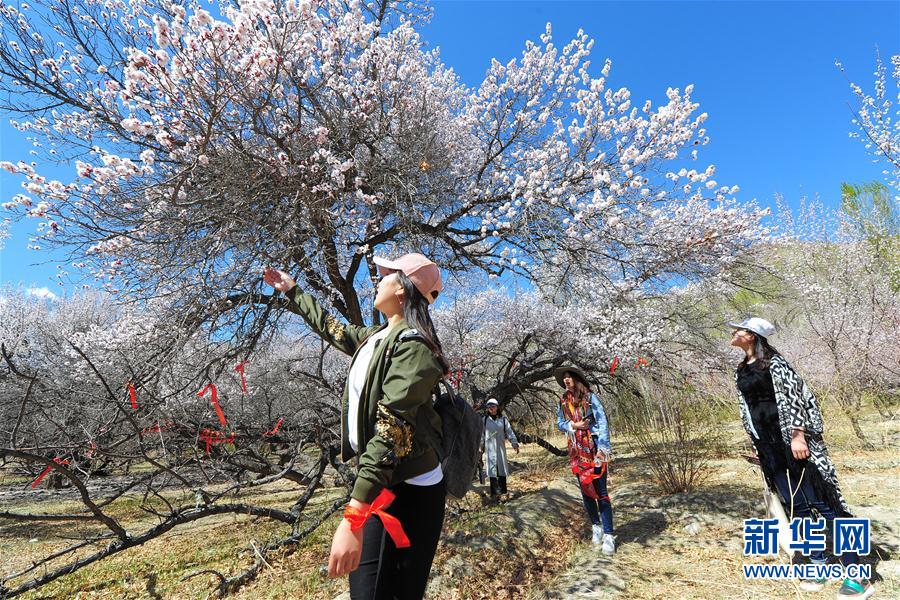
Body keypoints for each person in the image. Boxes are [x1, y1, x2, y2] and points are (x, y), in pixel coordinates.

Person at [264, 253, 448, 600]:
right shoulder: (377, 337)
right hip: (381, 481)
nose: (376, 281)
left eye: (385, 276)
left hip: (412, 492)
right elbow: (334, 329)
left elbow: (390, 430)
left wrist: (353, 515)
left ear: (402, 290)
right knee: (365, 591)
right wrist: (292, 291)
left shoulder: (416, 349)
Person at [729, 317, 875, 599]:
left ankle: (859, 577)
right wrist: (757, 445)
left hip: (793, 442)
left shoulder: (775, 363)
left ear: (752, 336)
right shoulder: (741, 369)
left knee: (827, 504)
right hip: (769, 447)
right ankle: (818, 565)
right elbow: (748, 409)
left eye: (739, 329)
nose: (733, 333)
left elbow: (795, 397)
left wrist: (798, 435)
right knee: (798, 507)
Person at [555, 366, 616, 554]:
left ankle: (608, 535)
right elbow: (559, 423)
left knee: (601, 490)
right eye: (563, 378)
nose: (566, 380)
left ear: (576, 378)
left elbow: (602, 421)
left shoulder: (590, 398)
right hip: (576, 451)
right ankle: (596, 526)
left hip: (594, 447)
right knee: (585, 490)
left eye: (569, 377)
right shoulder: (563, 401)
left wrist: (603, 449)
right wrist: (573, 425)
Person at [482, 398, 520, 499]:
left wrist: (514, 443)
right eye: (489, 406)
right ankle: (494, 494)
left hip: (500, 449)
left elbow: (509, 432)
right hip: (489, 450)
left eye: (493, 406)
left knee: (501, 470)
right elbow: (481, 435)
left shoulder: (503, 420)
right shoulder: (484, 420)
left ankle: (503, 492)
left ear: (497, 407)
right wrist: (480, 447)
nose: (491, 408)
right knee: (492, 471)